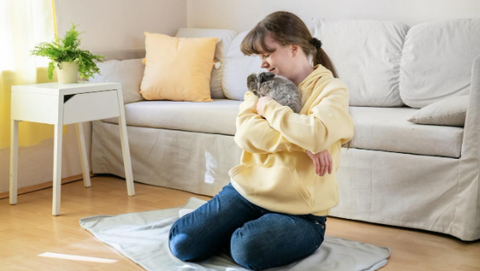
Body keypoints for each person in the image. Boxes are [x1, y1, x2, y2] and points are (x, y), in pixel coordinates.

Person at [168, 11, 354, 271]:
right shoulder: (261, 84)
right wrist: (304, 142)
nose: (263, 63)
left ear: (293, 48)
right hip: (247, 193)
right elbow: (246, 135)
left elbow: (316, 133)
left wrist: (268, 108)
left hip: (300, 213)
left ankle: (243, 234)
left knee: (245, 248)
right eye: (259, 56)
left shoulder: (331, 89)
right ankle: (238, 230)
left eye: (267, 54)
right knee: (182, 243)